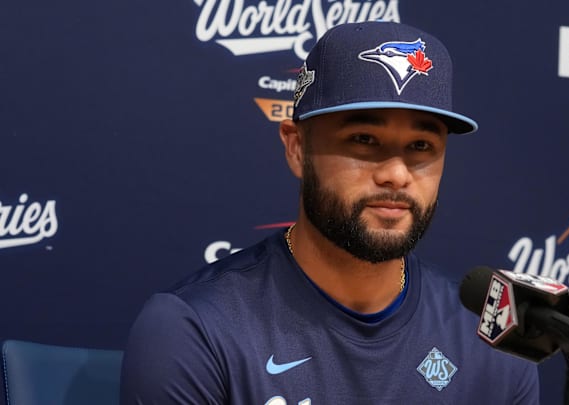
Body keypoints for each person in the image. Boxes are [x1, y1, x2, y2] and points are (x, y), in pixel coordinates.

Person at [120, 21, 540, 404]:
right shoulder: (195, 329)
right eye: (363, 139)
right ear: (297, 148)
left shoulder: (491, 339)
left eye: (421, 147)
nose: (396, 173)